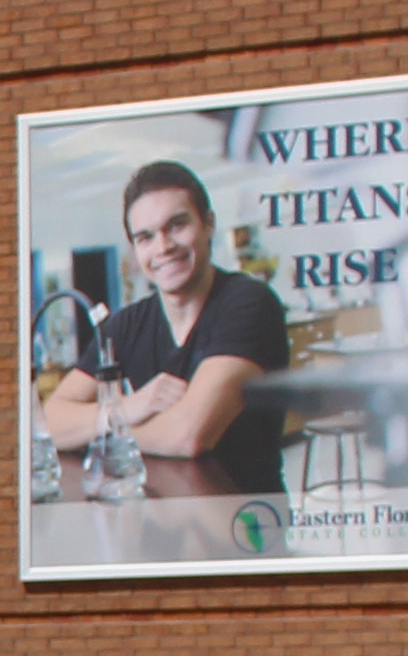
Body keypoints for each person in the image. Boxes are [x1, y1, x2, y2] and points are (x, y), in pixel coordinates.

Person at [32, 158, 288, 497]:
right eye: (146, 237)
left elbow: (188, 435)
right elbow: (50, 422)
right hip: (162, 515)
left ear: (208, 224)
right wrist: (126, 409)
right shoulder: (125, 325)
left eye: (177, 225)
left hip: (244, 521)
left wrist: (107, 433)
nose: (164, 247)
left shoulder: (248, 303)